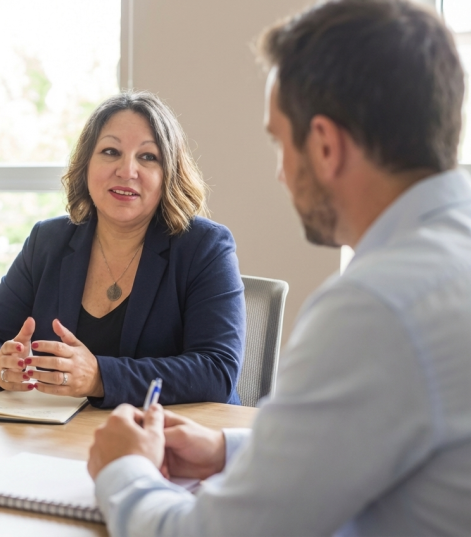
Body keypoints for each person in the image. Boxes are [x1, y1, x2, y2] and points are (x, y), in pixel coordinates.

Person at [88, 0, 471, 535]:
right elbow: (372, 434)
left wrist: (123, 471)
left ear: (325, 145)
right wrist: (229, 449)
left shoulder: (377, 307)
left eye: (279, 142)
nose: (281, 175)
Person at [0, 92, 246, 409]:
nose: (126, 170)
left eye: (148, 157)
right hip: (64, 439)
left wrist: (98, 377)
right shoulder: (47, 241)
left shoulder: (204, 247)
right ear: (86, 165)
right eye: (110, 151)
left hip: (174, 442)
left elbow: (217, 370)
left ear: (168, 173)